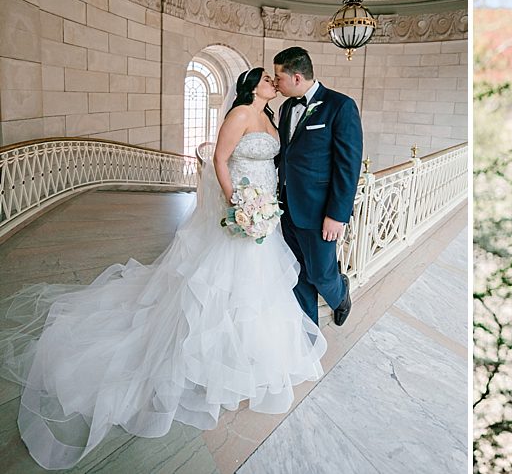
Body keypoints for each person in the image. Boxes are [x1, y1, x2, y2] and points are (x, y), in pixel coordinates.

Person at [0, 67, 325, 471]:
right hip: (241, 211)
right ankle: (212, 361)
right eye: (265, 79)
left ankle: (250, 360)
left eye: (275, 79)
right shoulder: (239, 114)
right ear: (249, 86)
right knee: (221, 288)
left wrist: (263, 207)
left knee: (258, 290)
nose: (273, 83)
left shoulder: (270, 118)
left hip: (265, 217)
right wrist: (238, 205)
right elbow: (220, 161)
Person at [272, 47, 363, 326]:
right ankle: (308, 331)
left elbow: (348, 166)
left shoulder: (340, 106)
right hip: (286, 208)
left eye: (279, 77)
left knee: (321, 274)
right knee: (297, 271)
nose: (276, 83)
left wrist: (337, 214)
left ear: (297, 77)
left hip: (319, 212)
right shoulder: (286, 107)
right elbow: (285, 154)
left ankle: (340, 297)